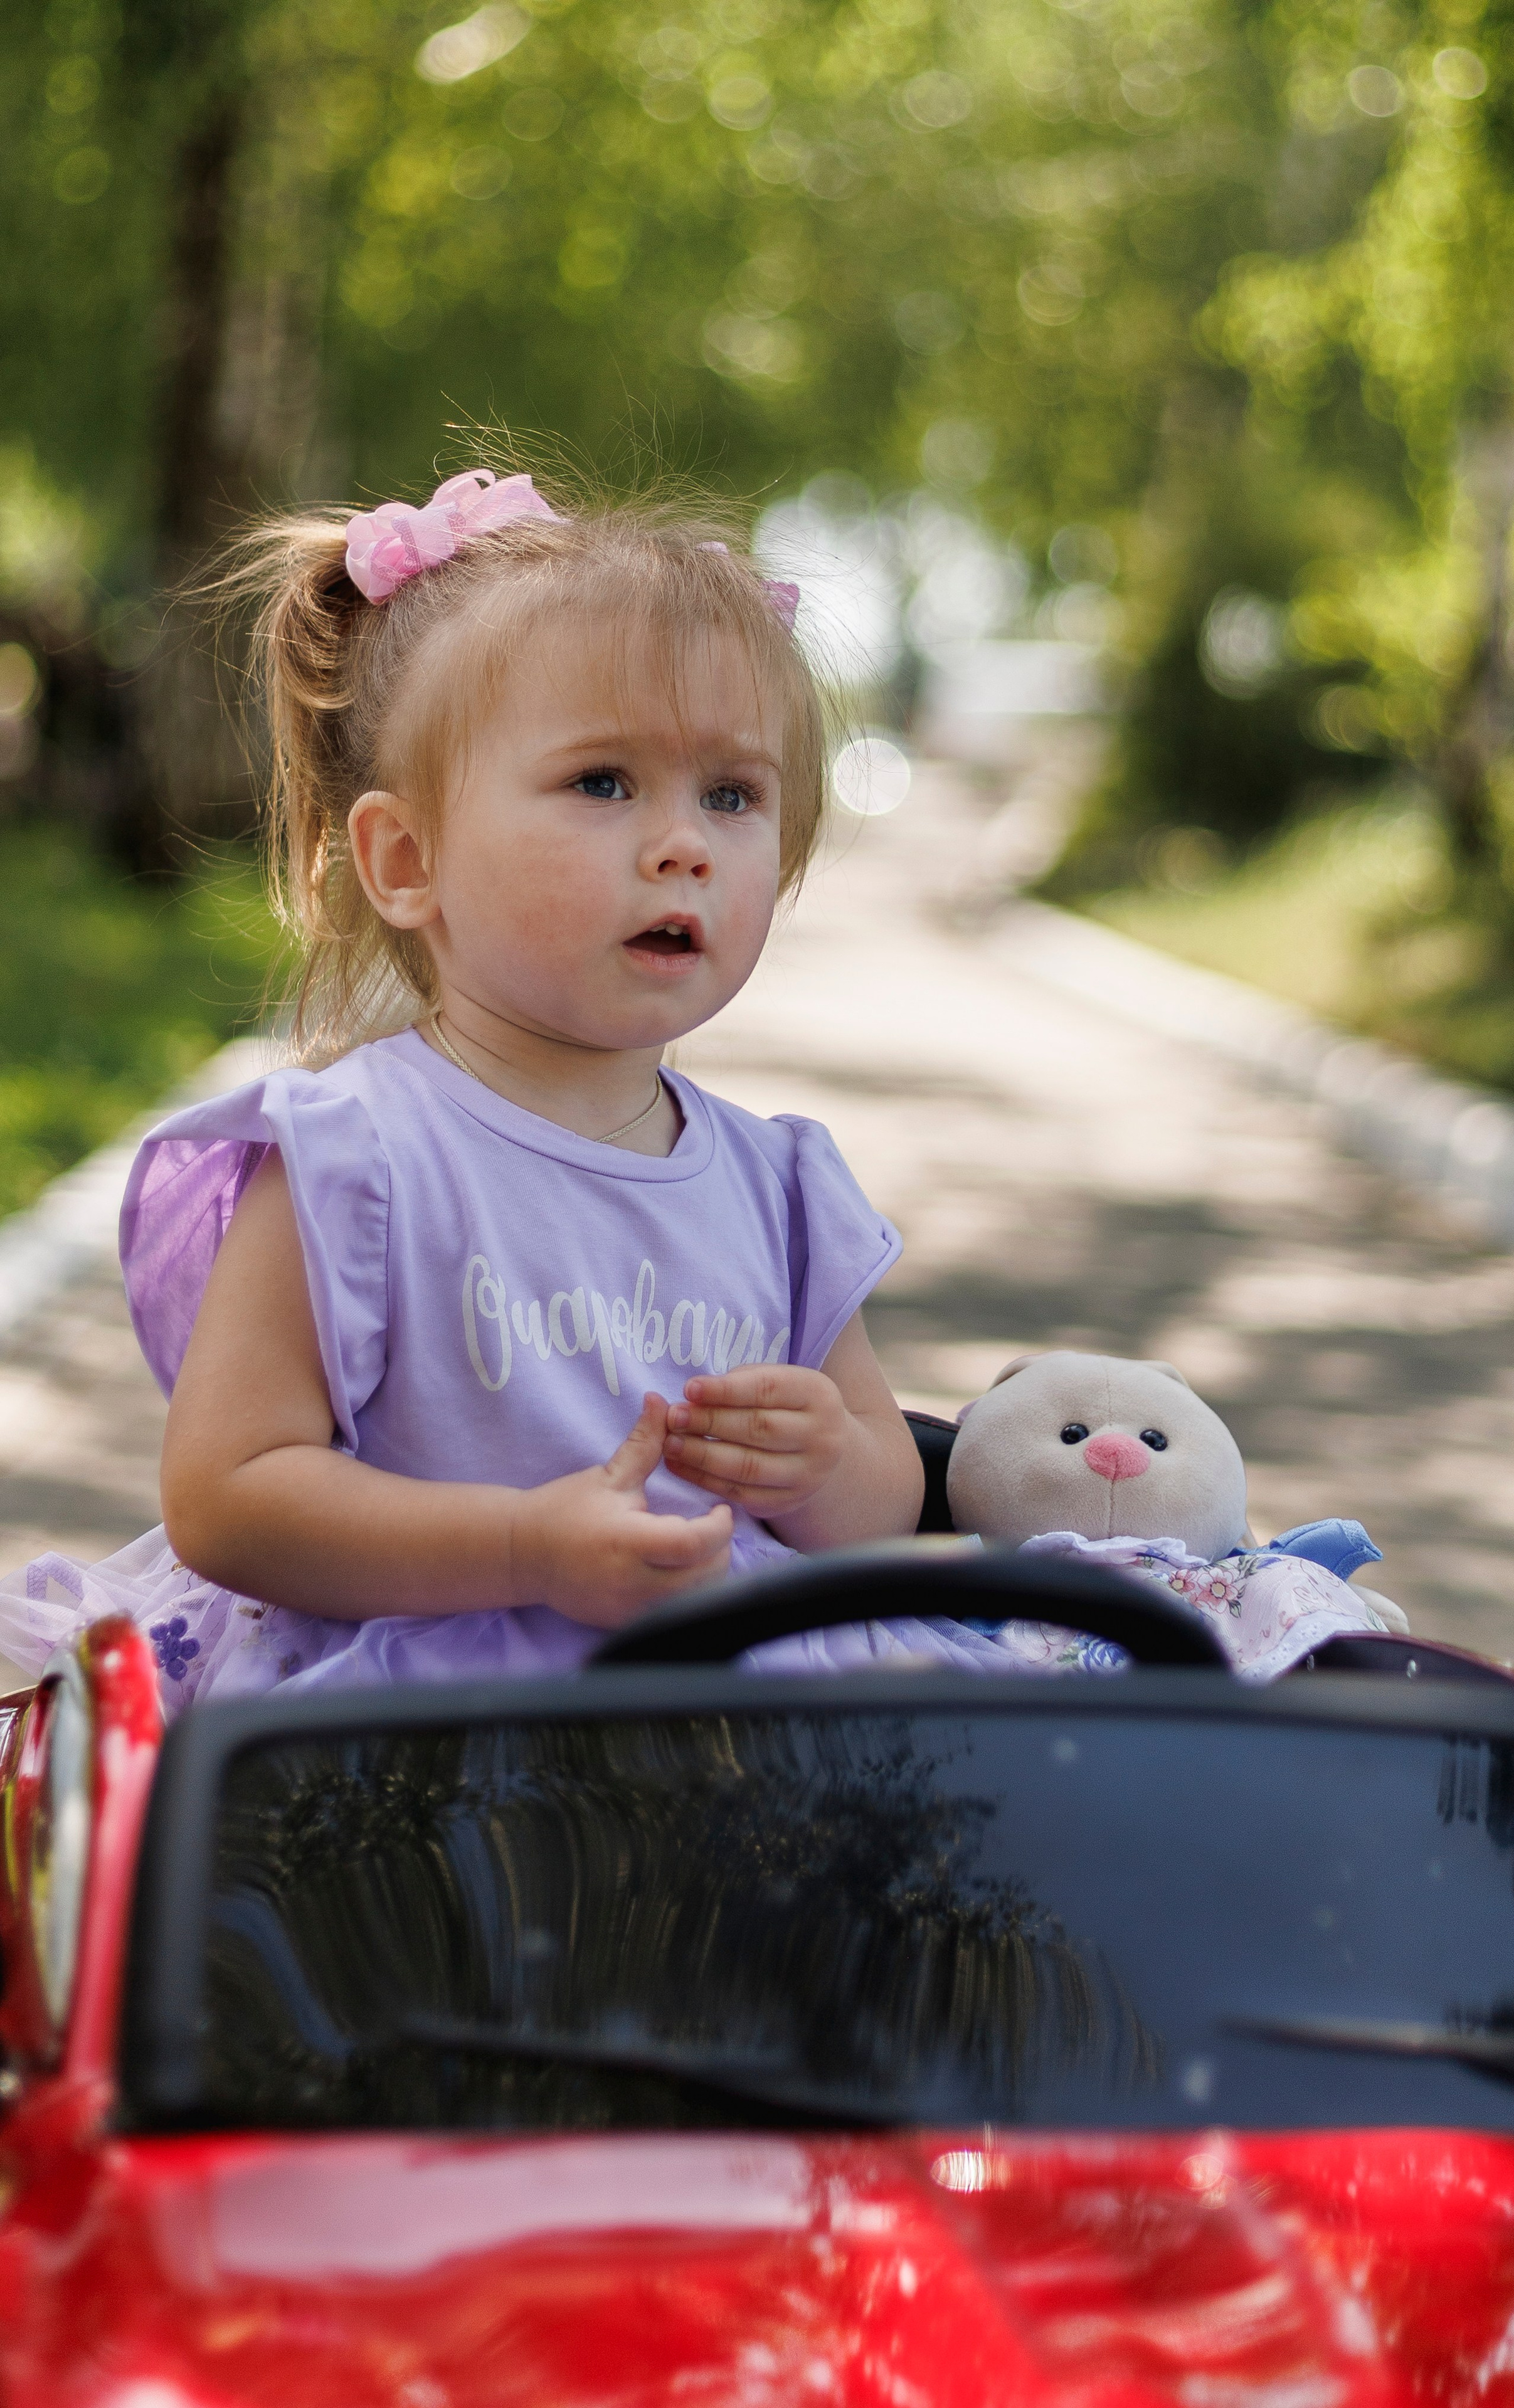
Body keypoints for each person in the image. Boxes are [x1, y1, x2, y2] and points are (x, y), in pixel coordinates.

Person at [0, 466, 925, 1709]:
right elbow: (227, 1496)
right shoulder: (355, 1158)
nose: (682, 842)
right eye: (602, 782)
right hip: (419, 1742)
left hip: (715, 1734)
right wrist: (520, 1551)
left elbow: (880, 1502)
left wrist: (821, 1469)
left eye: (732, 793)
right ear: (405, 859)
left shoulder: (781, 1185)